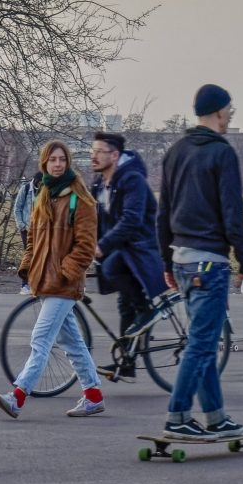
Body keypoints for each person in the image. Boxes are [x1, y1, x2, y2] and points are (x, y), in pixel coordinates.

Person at [155, 83, 243, 438]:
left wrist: (166, 263)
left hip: (182, 261)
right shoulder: (221, 153)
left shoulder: (175, 151)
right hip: (209, 263)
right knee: (200, 344)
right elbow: (232, 214)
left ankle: (215, 417)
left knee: (205, 338)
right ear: (218, 111)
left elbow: (163, 213)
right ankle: (178, 416)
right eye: (230, 110)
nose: (230, 116)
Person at [0, 141, 103, 418]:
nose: (57, 164)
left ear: (68, 163)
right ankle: (93, 395)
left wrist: (65, 272)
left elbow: (86, 246)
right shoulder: (44, 196)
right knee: (73, 343)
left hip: (63, 285)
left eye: (61, 159)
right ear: (44, 164)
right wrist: (28, 268)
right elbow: (33, 239)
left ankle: (17, 396)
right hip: (44, 282)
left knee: (40, 339)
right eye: (52, 159)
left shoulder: (81, 199)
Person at [90, 131, 170, 381]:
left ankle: (147, 310)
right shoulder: (100, 183)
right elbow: (95, 219)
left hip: (141, 247)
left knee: (113, 268)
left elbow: (132, 220)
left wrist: (103, 245)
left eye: (99, 152)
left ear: (115, 155)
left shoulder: (132, 179)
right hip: (123, 247)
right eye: (92, 152)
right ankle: (127, 364)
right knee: (124, 305)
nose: (93, 157)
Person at [12, 175, 40, 294]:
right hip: (27, 229)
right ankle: (25, 285)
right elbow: (17, 208)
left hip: (41, 229)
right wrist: (21, 225)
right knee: (28, 256)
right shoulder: (26, 189)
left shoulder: (45, 189)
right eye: (40, 184)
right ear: (36, 182)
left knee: (40, 256)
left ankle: (37, 283)